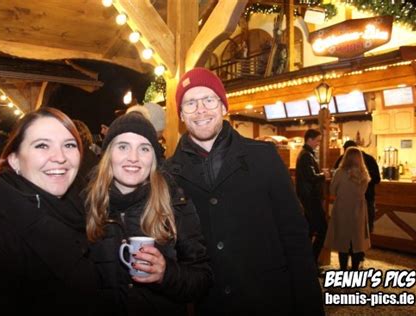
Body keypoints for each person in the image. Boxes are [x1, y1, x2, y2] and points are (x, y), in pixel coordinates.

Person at [166, 68, 323, 315]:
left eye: (209, 99)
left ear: (223, 107)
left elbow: (294, 234)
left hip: (269, 300)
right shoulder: (168, 175)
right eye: (190, 103)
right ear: (181, 115)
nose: (201, 109)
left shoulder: (264, 157)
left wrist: (310, 304)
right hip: (210, 304)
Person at [0, 108, 99, 315]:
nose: (60, 157)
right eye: (42, 145)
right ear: (14, 160)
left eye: (69, 145)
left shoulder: (72, 208)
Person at [86, 112, 212, 315]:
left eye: (144, 148)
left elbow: (202, 278)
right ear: (108, 154)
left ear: (154, 158)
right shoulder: (85, 204)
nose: (133, 158)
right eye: (123, 147)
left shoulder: (175, 203)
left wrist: (166, 274)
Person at [325, 147, 371, 270]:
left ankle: (343, 269)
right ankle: (355, 269)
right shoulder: (364, 173)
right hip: (359, 209)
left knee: (343, 239)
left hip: (342, 207)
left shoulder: (340, 172)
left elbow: (332, 190)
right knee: (357, 240)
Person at [295, 129, 328, 267]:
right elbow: (311, 177)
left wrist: (320, 173)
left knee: (309, 231)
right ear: (310, 139)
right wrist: (323, 175)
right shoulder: (306, 155)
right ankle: (312, 262)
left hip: (307, 200)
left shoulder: (305, 154)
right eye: (318, 141)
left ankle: (306, 262)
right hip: (311, 200)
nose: (318, 144)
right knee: (322, 230)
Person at [334, 140, 380, 233]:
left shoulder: (341, 161)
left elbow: (334, 184)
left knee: (347, 230)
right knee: (365, 229)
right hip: (366, 199)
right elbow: (377, 179)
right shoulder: (369, 159)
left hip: (346, 201)